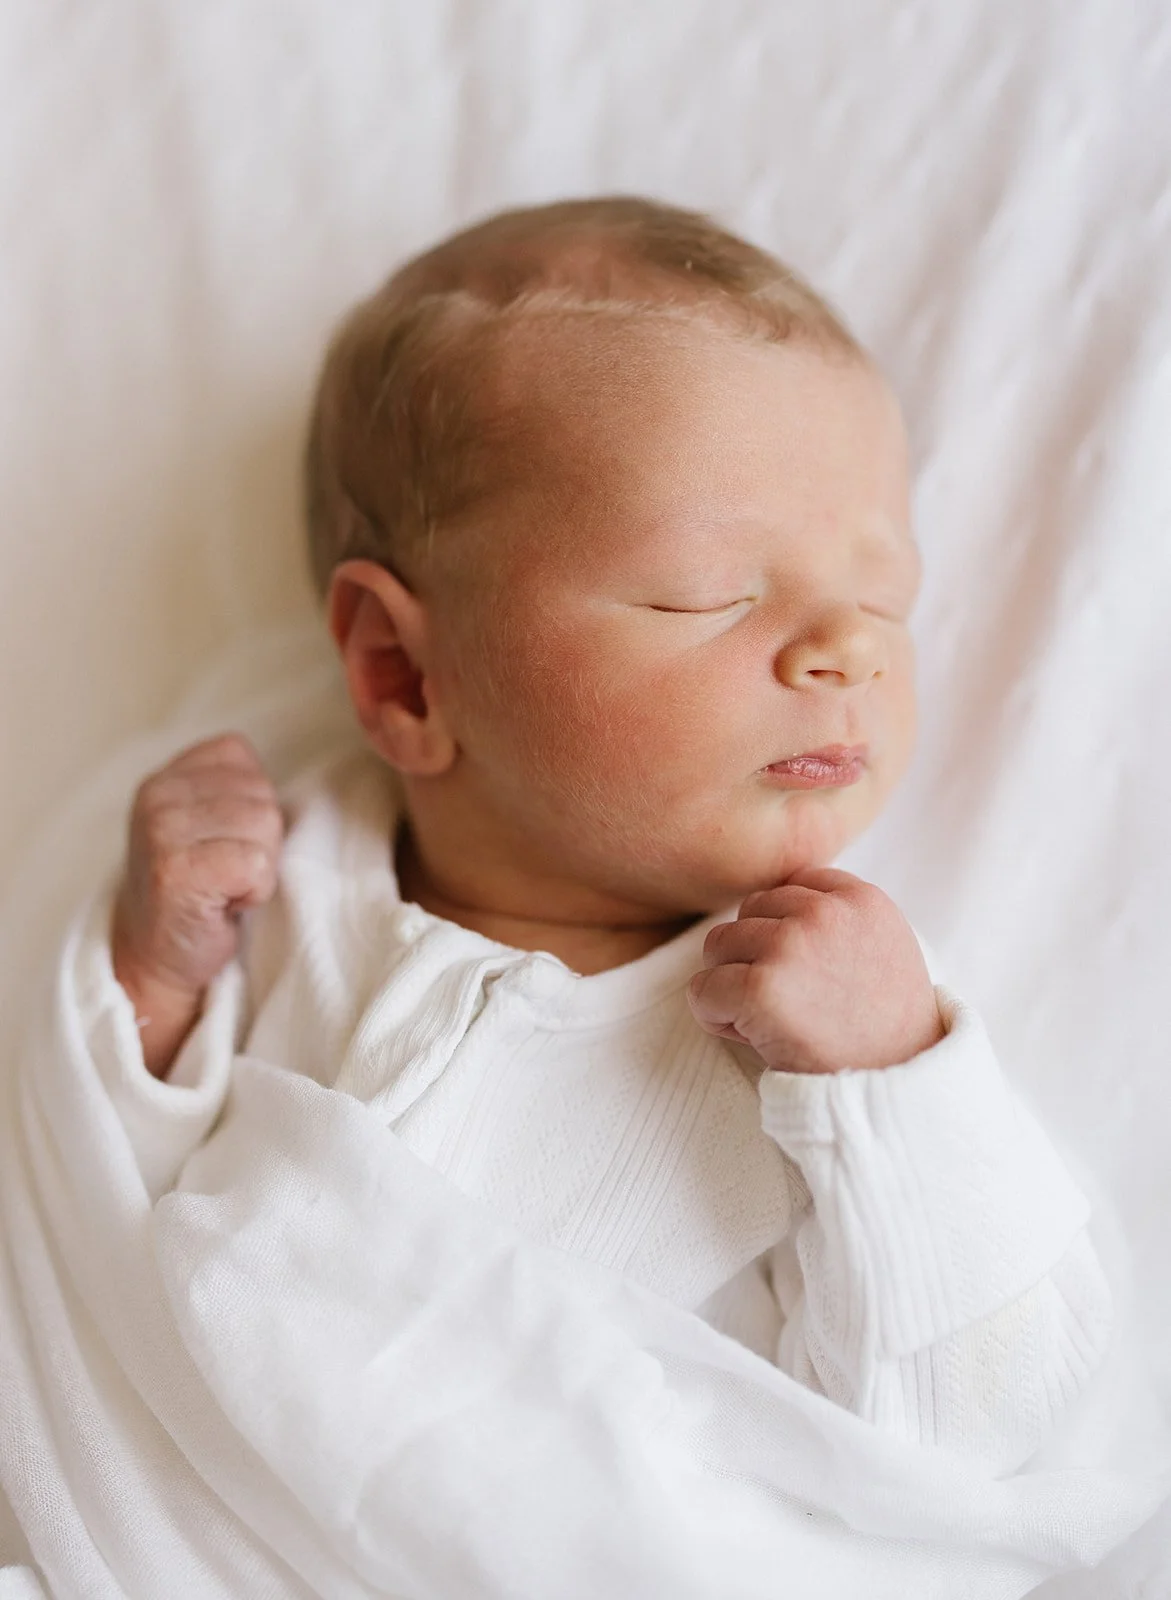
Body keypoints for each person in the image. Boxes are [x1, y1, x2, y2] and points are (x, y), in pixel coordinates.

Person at [8, 198, 1142, 1599]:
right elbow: (100, 1231)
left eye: (884, 596)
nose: (847, 648)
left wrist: (895, 1090)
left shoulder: (836, 1024)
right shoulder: (284, 881)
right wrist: (150, 988)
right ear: (403, 676)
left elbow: (980, 1425)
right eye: (702, 595)